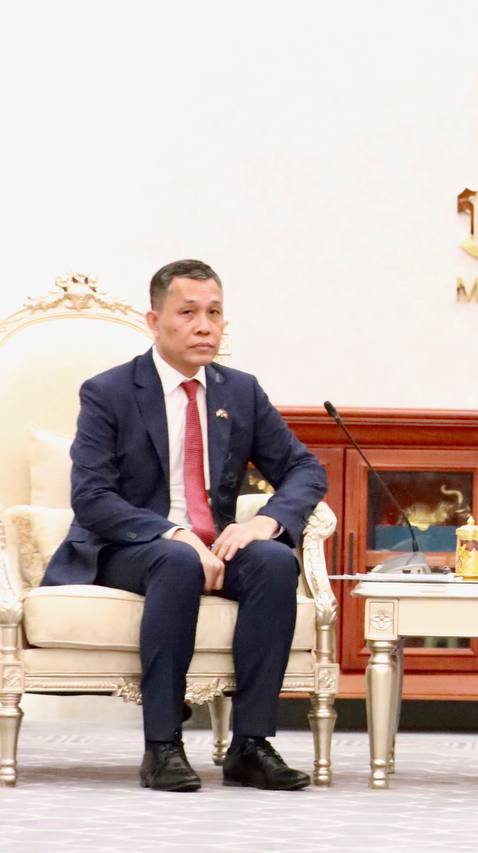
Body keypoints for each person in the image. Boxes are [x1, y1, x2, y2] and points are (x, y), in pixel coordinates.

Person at [43, 259, 328, 792]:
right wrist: (173, 533)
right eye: (188, 313)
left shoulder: (239, 391)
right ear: (154, 321)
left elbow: (305, 469)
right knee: (177, 560)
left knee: (272, 561)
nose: (204, 326)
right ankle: (163, 746)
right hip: (129, 546)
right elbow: (92, 498)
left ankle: (250, 745)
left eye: (214, 313)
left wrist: (266, 522)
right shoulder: (109, 392)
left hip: (215, 543)